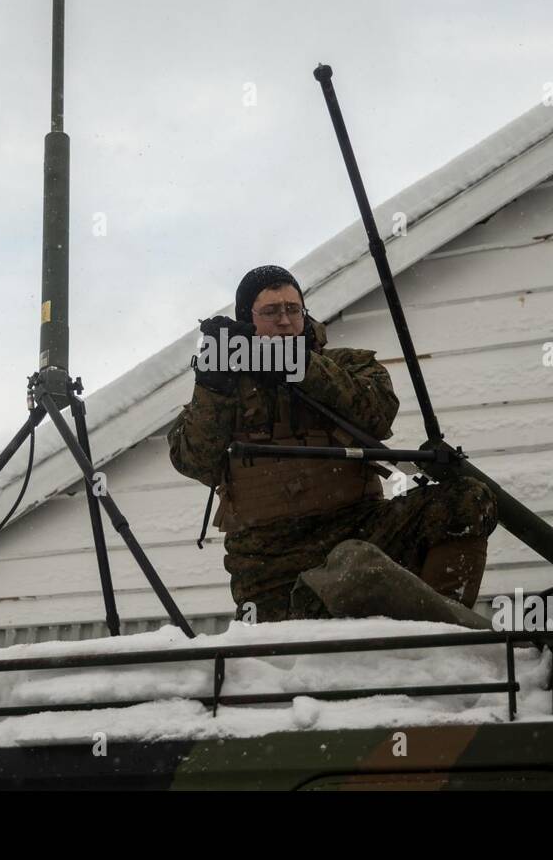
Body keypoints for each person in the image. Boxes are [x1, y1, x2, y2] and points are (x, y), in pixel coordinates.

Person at [167, 265, 498, 624]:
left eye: (293, 309)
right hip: (269, 560)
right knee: (286, 658)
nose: (284, 320)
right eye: (271, 311)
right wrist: (212, 385)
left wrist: (298, 366)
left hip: (363, 529)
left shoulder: (346, 364)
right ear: (247, 320)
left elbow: (377, 411)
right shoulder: (225, 388)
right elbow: (195, 460)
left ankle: (445, 635)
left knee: (465, 500)